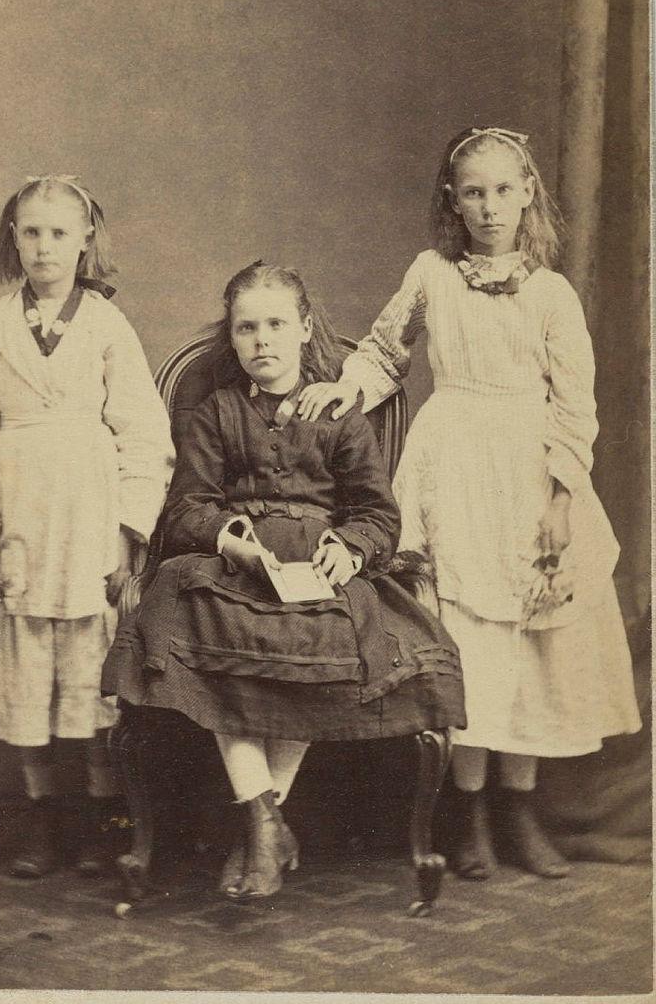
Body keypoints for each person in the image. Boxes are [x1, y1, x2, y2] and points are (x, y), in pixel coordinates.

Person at [298, 126, 641, 880]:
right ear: (454, 201)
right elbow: (387, 352)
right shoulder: (431, 273)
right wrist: (344, 387)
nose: (489, 207)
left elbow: (575, 404)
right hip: (452, 463)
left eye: (503, 191)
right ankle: (471, 814)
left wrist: (560, 494)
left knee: (528, 639)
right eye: (474, 192)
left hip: (529, 472)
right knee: (469, 641)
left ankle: (520, 812)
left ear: (527, 197)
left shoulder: (551, 293)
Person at [102, 260, 465, 900]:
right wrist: (226, 537)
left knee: (317, 648)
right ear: (233, 338)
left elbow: (378, 514)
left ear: (304, 330)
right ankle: (266, 822)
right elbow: (185, 506)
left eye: (275, 325)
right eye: (247, 328)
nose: (262, 341)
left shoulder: (339, 414)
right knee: (211, 634)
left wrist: (350, 549)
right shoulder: (216, 412)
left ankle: (259, 827)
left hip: (319, 569)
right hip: (233, 568)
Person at [0, 174, 174, 878]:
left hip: (87, 516)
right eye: (30, 231)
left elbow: (142, 431)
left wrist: (131, 525)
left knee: (87, 666)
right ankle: (41, 813)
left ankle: (102, 813)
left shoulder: (104, 324)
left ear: (86, 238)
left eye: (59, 232)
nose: (43, 247)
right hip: (20, 515)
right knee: (26, 660)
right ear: (13, 238)